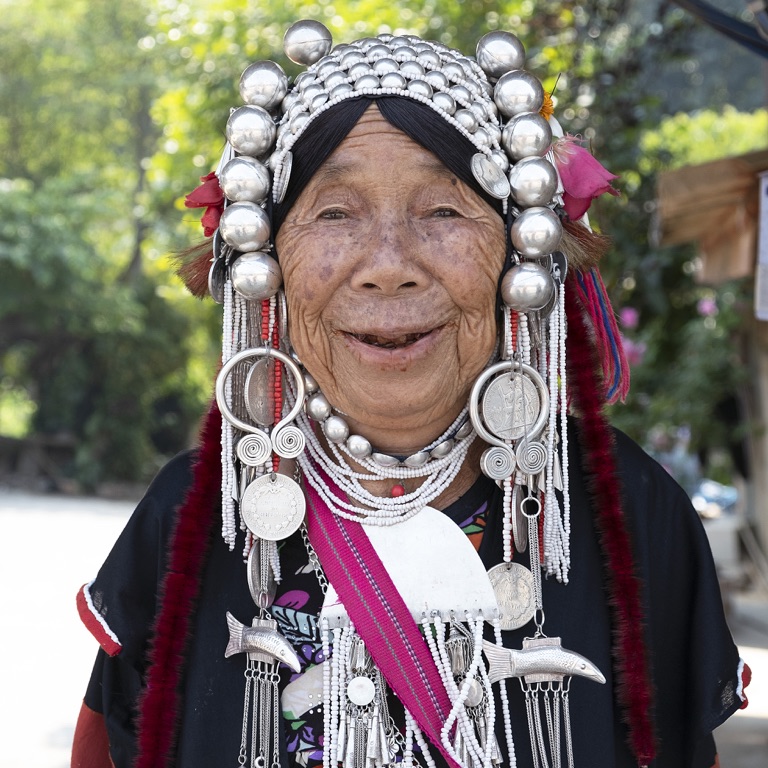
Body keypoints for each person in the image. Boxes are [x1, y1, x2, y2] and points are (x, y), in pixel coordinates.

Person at [71, 21, 749, 768]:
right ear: (270, 260)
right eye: (335, 213)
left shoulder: (630, 511)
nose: (388, 266)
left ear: (515, 250)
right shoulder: (193, 514)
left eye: (444, 210)